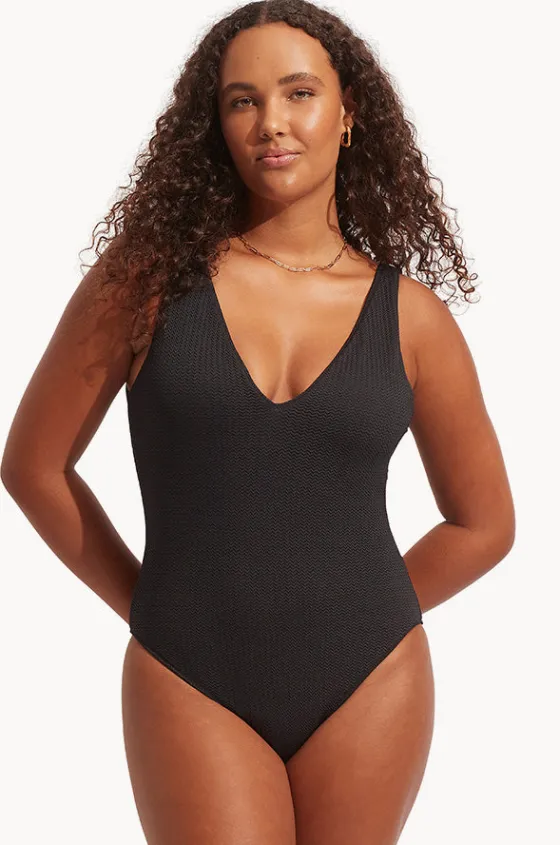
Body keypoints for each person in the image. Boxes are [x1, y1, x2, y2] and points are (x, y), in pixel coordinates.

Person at [1, 1, 516, 842]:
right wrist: (150, 606)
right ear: (216, 123)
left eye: (298, 93)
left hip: (371, 675)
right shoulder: (146, 284)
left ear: (348, 113)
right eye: (242, 100)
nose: (270, 121)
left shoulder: (412, 318)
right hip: (189, 670)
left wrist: (359, 614)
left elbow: (486, 523)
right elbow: (32, 466)